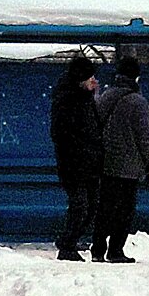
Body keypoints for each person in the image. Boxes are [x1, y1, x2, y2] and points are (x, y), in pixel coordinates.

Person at [91, 56, 149, 263]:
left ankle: (98, 248)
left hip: (106, 163)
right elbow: (145, 136)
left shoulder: (105, 97)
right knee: (124, 210)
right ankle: (115, 250)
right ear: (136, 77)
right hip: (129, 166)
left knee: (105, 207)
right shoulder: (138, 102)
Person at [49, 56, 103, 261]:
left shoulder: (85, 100)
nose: (94, 82)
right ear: (81, 79)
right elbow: (62, 134)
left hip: (89, 163)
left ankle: (69, 240)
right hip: (75, 165)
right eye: (91, 78)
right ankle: (67, 245)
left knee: (90, 207)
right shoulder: (68, 101)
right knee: (81, 206)